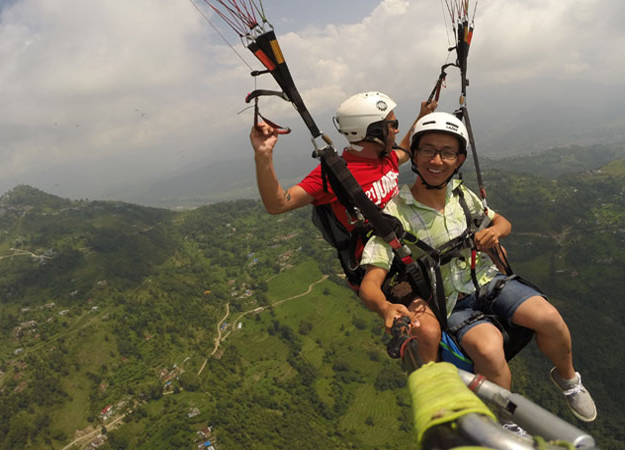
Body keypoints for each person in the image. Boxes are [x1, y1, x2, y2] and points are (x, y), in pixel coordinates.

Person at [358, 112, 597, 422]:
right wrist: (386, 308)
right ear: (414, 155)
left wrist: (495, 231)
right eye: (428, 150)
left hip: (487, 279)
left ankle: (568, 380)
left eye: (447, 153)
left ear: (458, 160)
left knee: (549, 317)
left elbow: (501, 221)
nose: (437, 160)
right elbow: (369, 285)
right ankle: (506, 421)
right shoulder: (393, 214)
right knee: (488, 351)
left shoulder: (461, 195)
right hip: (451, 303)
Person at [250, 91, 441, 361]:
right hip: (381, 270)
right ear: (375, 132)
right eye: (393, 125)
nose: (397, 130)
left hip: (405, 251)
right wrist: (263, 155)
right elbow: (278, 203)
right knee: (429, 331)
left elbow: (405, 152)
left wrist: (423, 117)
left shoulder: (385, 158)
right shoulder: (335, 175)